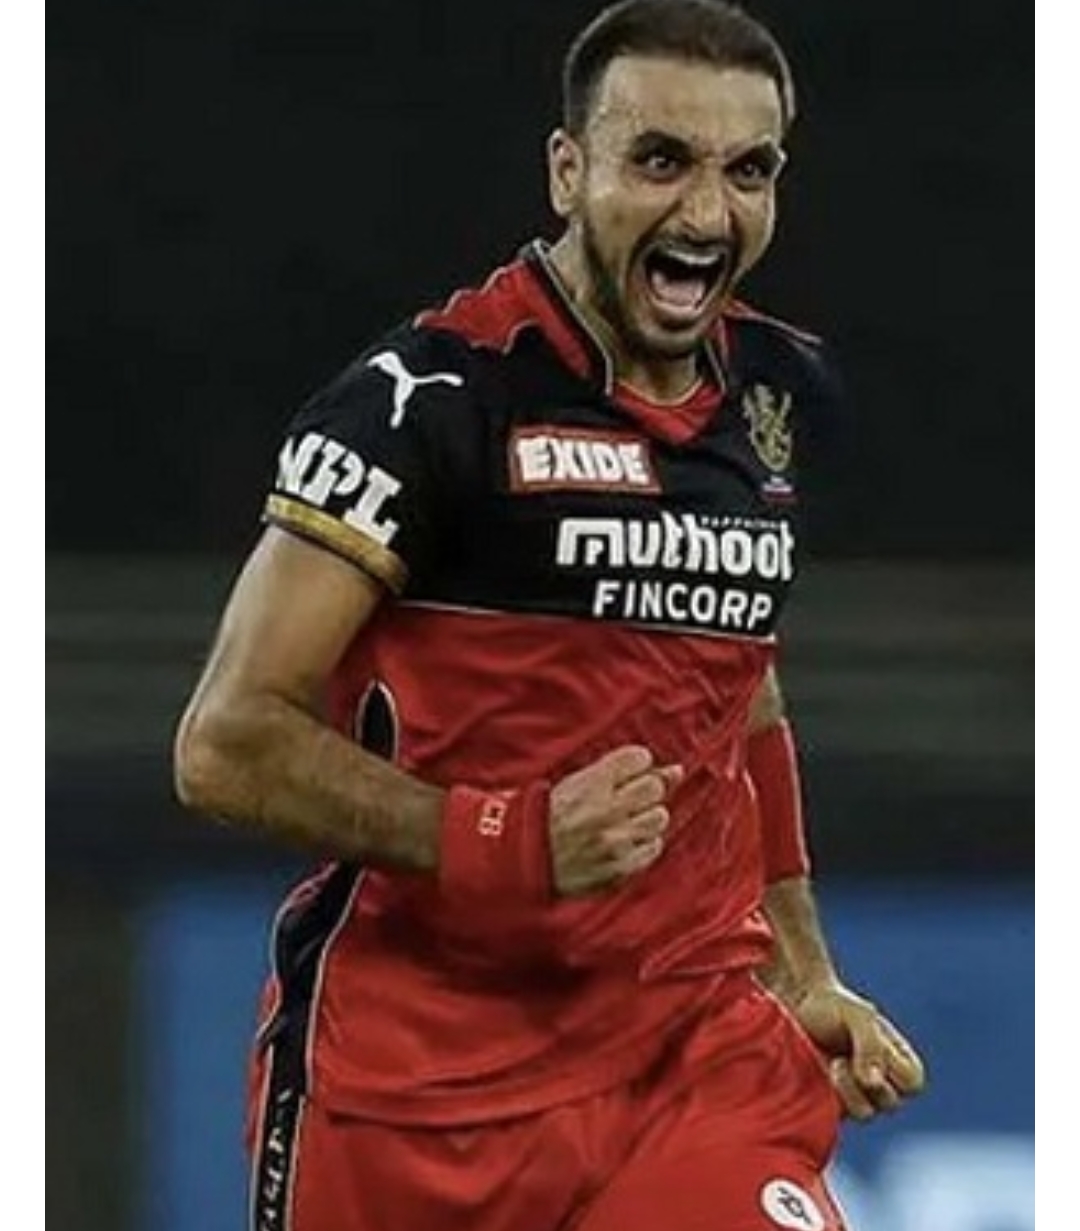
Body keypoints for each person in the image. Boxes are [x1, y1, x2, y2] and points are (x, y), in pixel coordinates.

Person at [173, 1, 927, 1227]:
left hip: (690, 1056)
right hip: (418, 1089)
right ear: (569, 171)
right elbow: (224, 743)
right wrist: (507, 840)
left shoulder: (781, 393)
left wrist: (802, 969)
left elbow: (739, 684)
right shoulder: (426, 403)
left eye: (748, 171)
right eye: (661, 160)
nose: (707, 213)